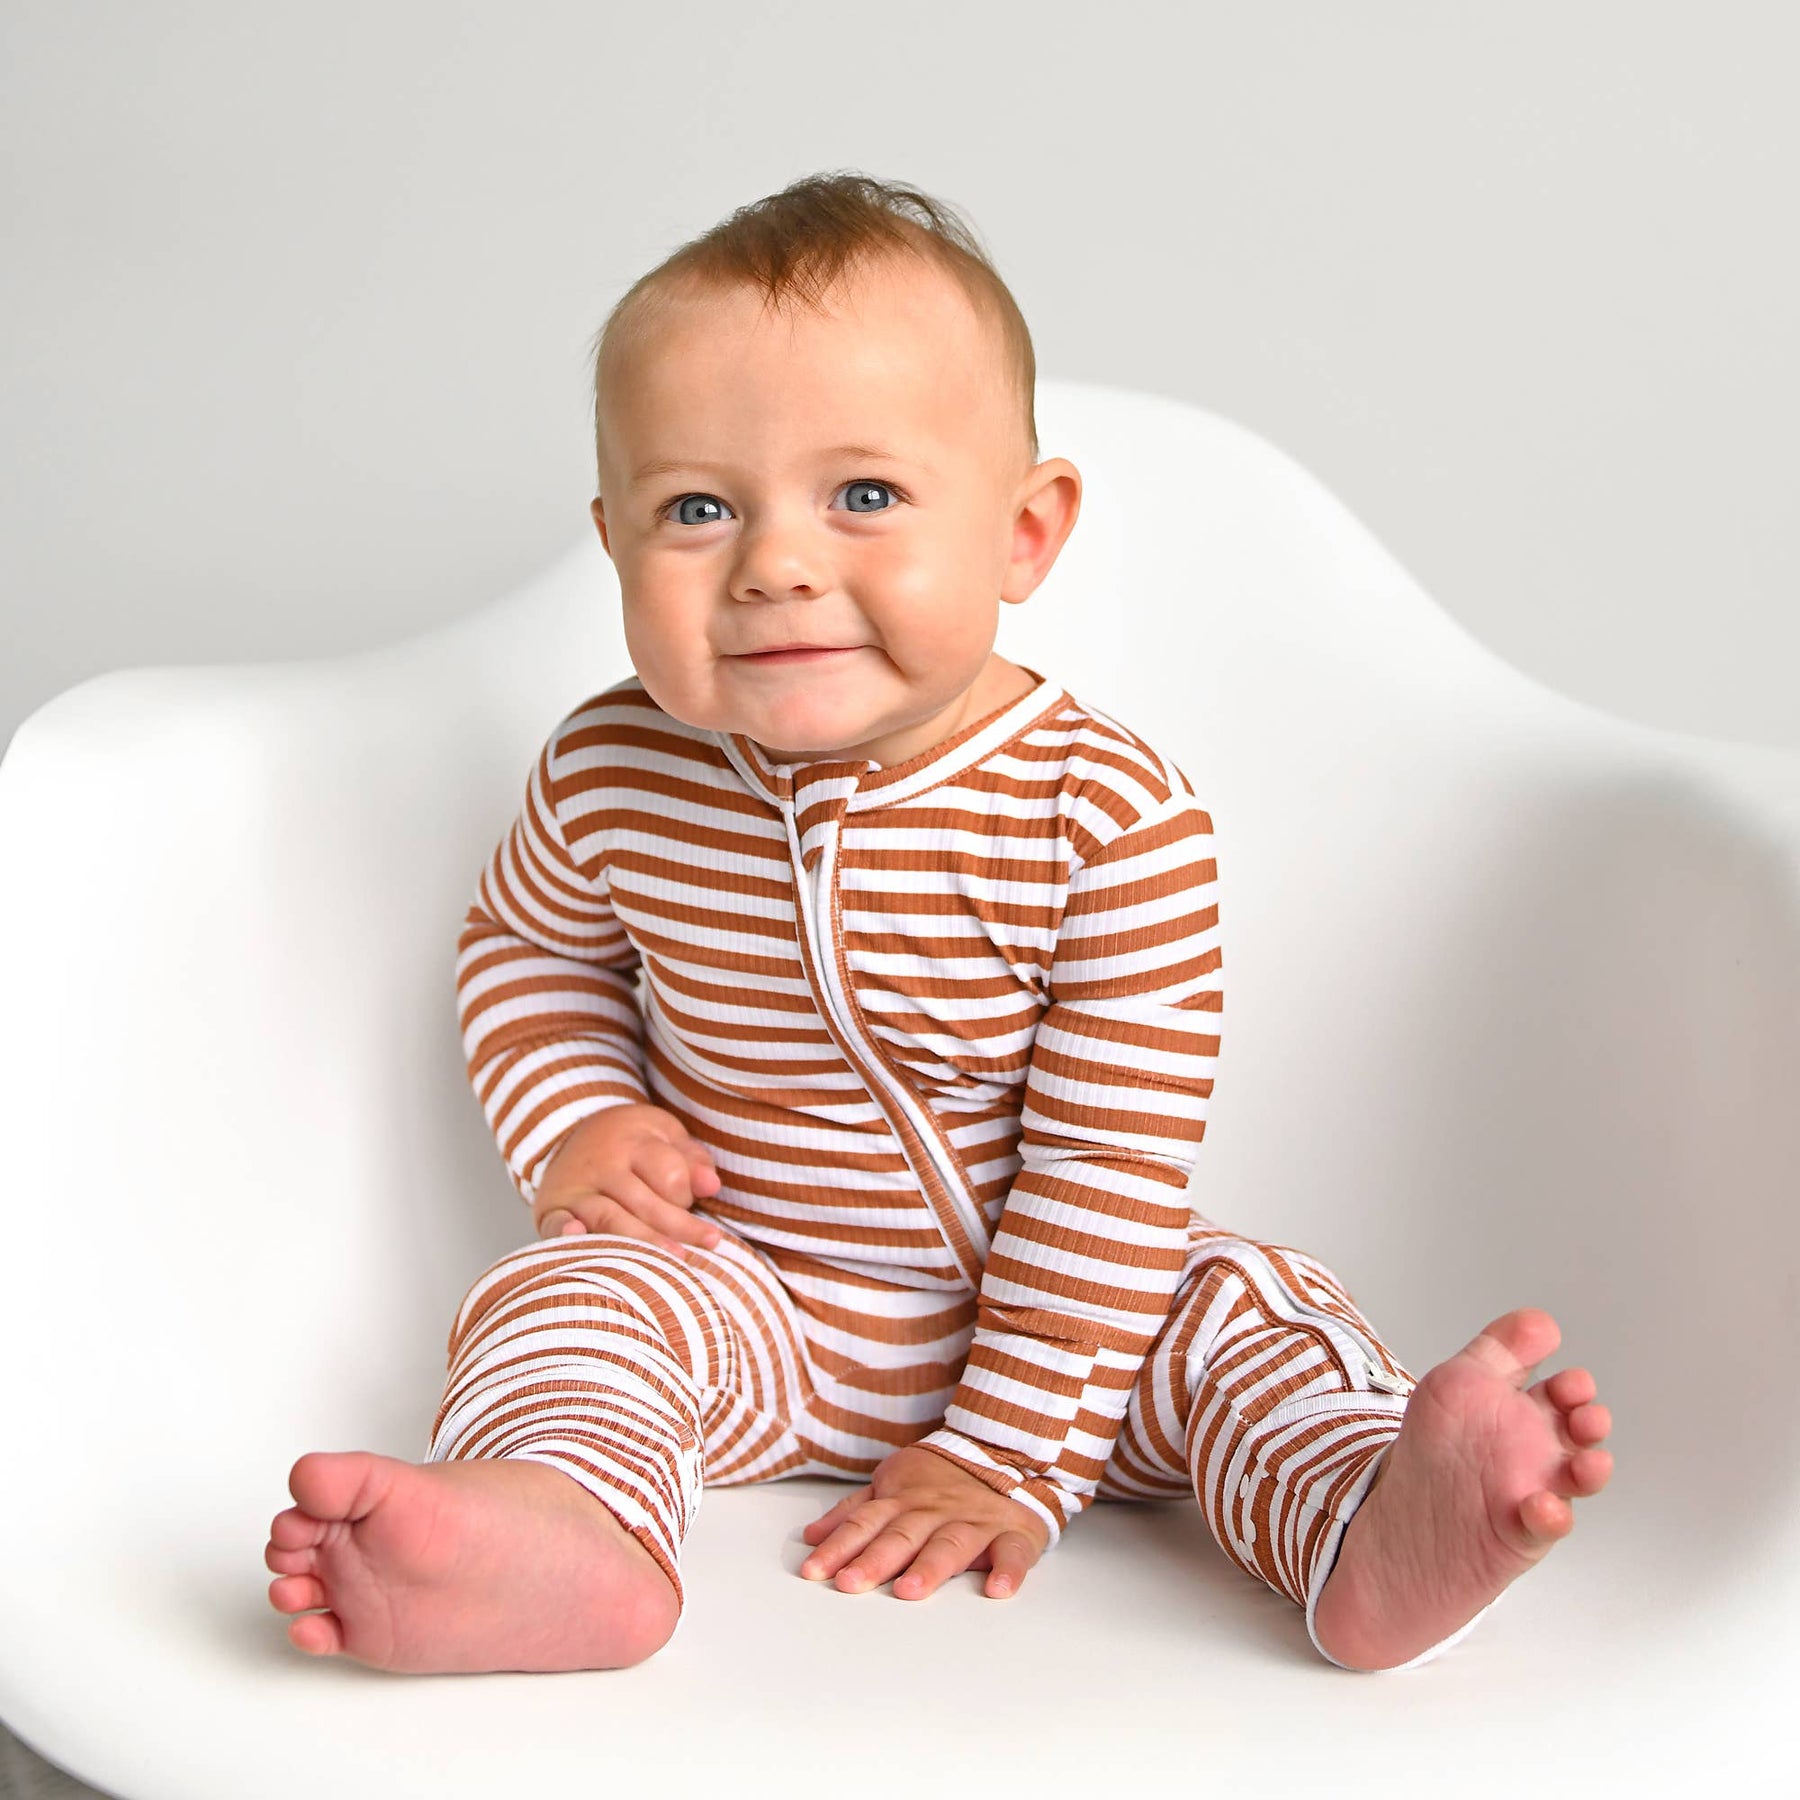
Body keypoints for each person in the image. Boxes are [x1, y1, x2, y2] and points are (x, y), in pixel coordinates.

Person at [263, 171, 1614, 1677]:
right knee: (562, 1298)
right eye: (697, 509)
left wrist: (1008, 1450)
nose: (774, 564)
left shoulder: (1104, 816)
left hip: (1076, 1328)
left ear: (1023, 534)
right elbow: (527, 953)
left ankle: (1364, 1518)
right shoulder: (608, 771)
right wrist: (575, 1119)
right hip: (752, 1300)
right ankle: (570, 1531)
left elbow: (1110, 1162)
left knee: (1248, 1312)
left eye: (864, 496)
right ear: (614, 542)